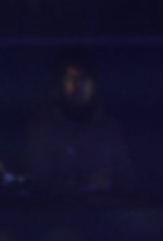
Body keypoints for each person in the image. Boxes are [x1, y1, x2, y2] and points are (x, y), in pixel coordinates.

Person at [25, 53, 136, 205]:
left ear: (94, 84)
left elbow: (125, 181)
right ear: (60, 84)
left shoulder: (110, 130)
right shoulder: (43, 130)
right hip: (55, 216)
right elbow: (38, 181)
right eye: (70, 79)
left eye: (83, 79)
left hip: (102, 216)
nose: (77, 86)